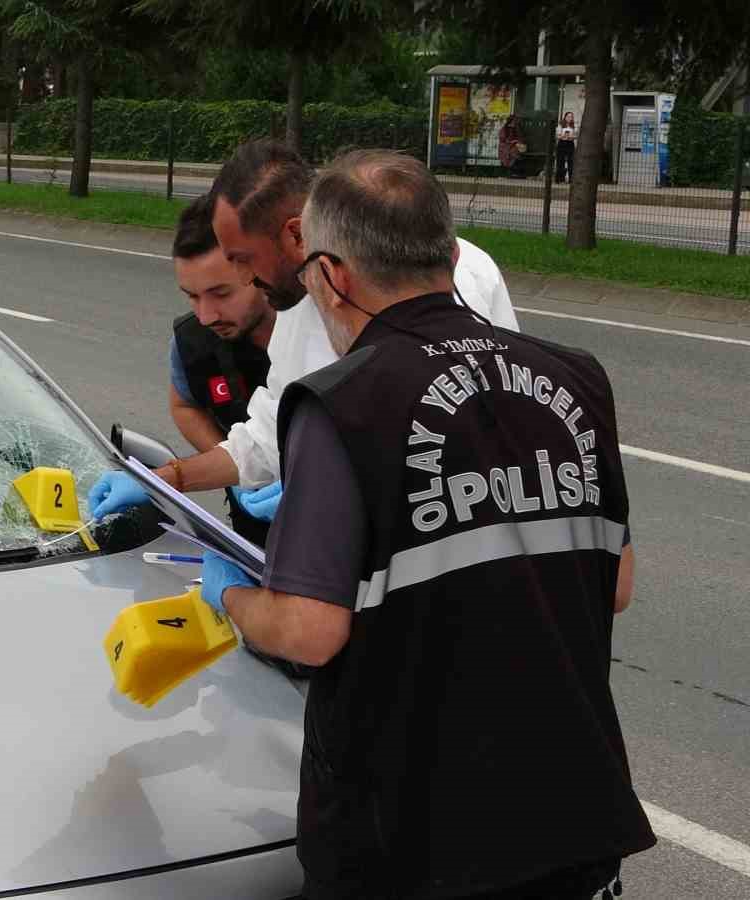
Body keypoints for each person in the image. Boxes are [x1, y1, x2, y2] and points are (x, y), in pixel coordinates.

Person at [199, 148, 654, 898]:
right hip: (573, 815)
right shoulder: (575, 378)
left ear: (334, 275)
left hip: (412, 837)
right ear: (444, 252)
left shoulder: (341, 403)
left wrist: (232, 597)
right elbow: (617, 583)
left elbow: (309, 629)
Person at [87, 140, 519, 521]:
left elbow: (475, 446)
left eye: (241, 257)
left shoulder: (465, 280)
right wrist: (164, 479)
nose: (241, 275)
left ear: (297, 235)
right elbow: (267, 437)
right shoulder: (295, 309)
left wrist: (329, 492)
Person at [163, 193, 277, 547]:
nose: (206, 315)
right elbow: (184, 405)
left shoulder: (321, 333)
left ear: (257, 268)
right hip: (255, 531)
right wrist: (230, 463)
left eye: (221, 293)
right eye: (192, 296)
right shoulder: (191, 343)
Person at [556, 112, 577, 184]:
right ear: (565, 117)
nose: (570, 118)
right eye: (568, 116)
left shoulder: (573, 126)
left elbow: (575, 136)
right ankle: (559, 179)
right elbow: (557, 136)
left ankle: (571, 179)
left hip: (570, 144)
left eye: (571, 117)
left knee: (571, 161)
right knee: (560, 161)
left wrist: (571, 137)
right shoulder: (561, 125)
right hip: (562, 143)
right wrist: (563, 136)